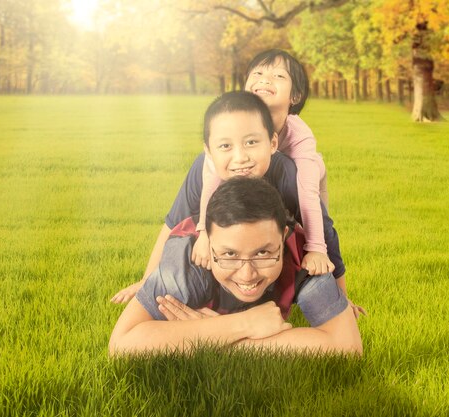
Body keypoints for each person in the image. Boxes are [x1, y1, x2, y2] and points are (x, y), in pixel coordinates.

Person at [111, 91, 362, 318]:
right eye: (225, 146)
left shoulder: (287, 173)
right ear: (209, 151)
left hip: (268, 253)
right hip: (216, 252)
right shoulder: (203, 170)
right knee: (187, 258)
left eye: (251, 142)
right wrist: (147, 281)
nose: (240, 157)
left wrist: (341, 295)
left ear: (272, 143)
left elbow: (323, 228)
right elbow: (172, 222)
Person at [109, 177, 362, 355]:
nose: (247, 274)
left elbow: (347, 347)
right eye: (229, 254)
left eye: (263, 252)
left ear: (284, 237)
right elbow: (122, 344)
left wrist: (219, 339)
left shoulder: (304, 258)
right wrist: (245, 324)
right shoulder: (188, 265)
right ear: (208, 246)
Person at [193, 49, 331, 276]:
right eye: (257, 73)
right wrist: (204, 233)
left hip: (308, 179)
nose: (265, 79)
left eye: (278, 76)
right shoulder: (229, 127)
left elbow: (307, 194)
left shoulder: (300, 137)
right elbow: (212, 180)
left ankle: (338, 294)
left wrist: (316, 248)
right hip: (261, 173)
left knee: (320, 224)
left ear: (295, 96)